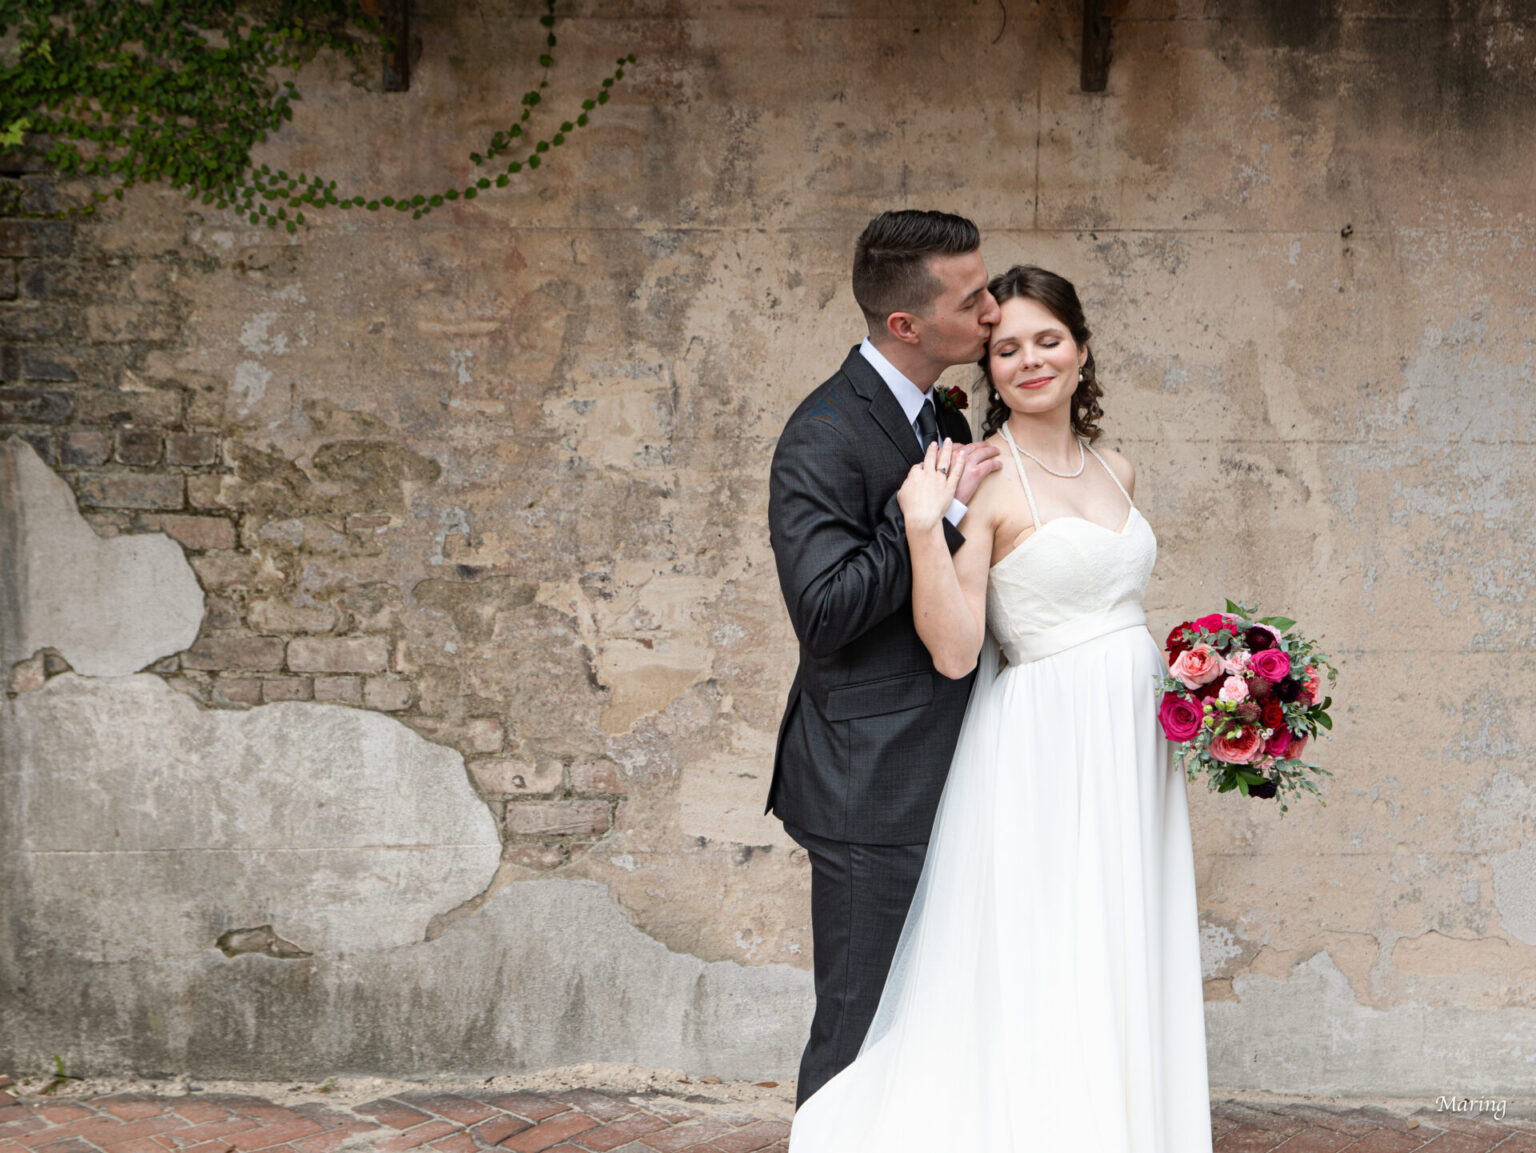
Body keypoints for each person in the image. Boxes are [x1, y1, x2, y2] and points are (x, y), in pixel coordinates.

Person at [786, 265, 1213, 1151]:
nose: (1029, 360)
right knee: (1053, 945)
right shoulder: (985, 484)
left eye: (1047, 339)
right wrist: (918, 523)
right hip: (1047, 744)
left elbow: (1112, 602)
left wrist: (1218, 674)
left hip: (1133, 741)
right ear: (989, 369)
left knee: (1120, 938)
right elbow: (953, 646)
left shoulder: (1118, 467)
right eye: (1007, 348)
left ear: (1081, 347)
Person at [766, 209, 1004, 1107]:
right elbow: (822, 611)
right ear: (906, 324)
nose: (991, 310)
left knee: (929, 1020)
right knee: (859, 1028)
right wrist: (931, 516)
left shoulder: (938, 407)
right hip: (871, 781)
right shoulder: (823, 432)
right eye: (972, 296)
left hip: (946, 764)